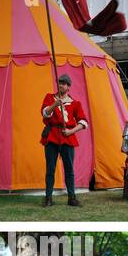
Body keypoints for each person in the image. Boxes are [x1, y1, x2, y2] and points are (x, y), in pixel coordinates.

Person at [40, 72, 87, 207]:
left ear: (69, 87)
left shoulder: (75, 103)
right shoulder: (50, 98)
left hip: (68, 136)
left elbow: (83, 122)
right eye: (60, 83)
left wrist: (71, 131)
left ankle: (71, 198)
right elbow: (45, 113)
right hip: (52, 135)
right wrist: (55, 104)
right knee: (50, 169)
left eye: (64, 84)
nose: (61, 85)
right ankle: (48, 198)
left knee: (69, 169)